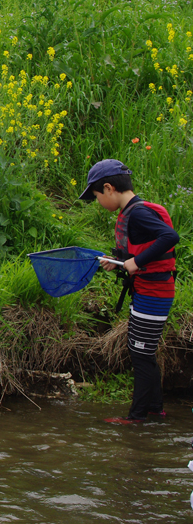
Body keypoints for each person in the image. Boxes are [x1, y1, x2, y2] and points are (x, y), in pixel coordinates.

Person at [79, 159, 179, 424]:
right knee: (141, 352)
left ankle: (137, 418)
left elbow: (169, 237)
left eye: (98, 196)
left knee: (142, 354)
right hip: (146, 291)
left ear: (109, 188)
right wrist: (119, 263)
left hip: (154, 294)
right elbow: (140, 250)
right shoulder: (132, 212)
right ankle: (155, 411)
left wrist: (137, 262)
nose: (99, 202)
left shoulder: (138, 213)